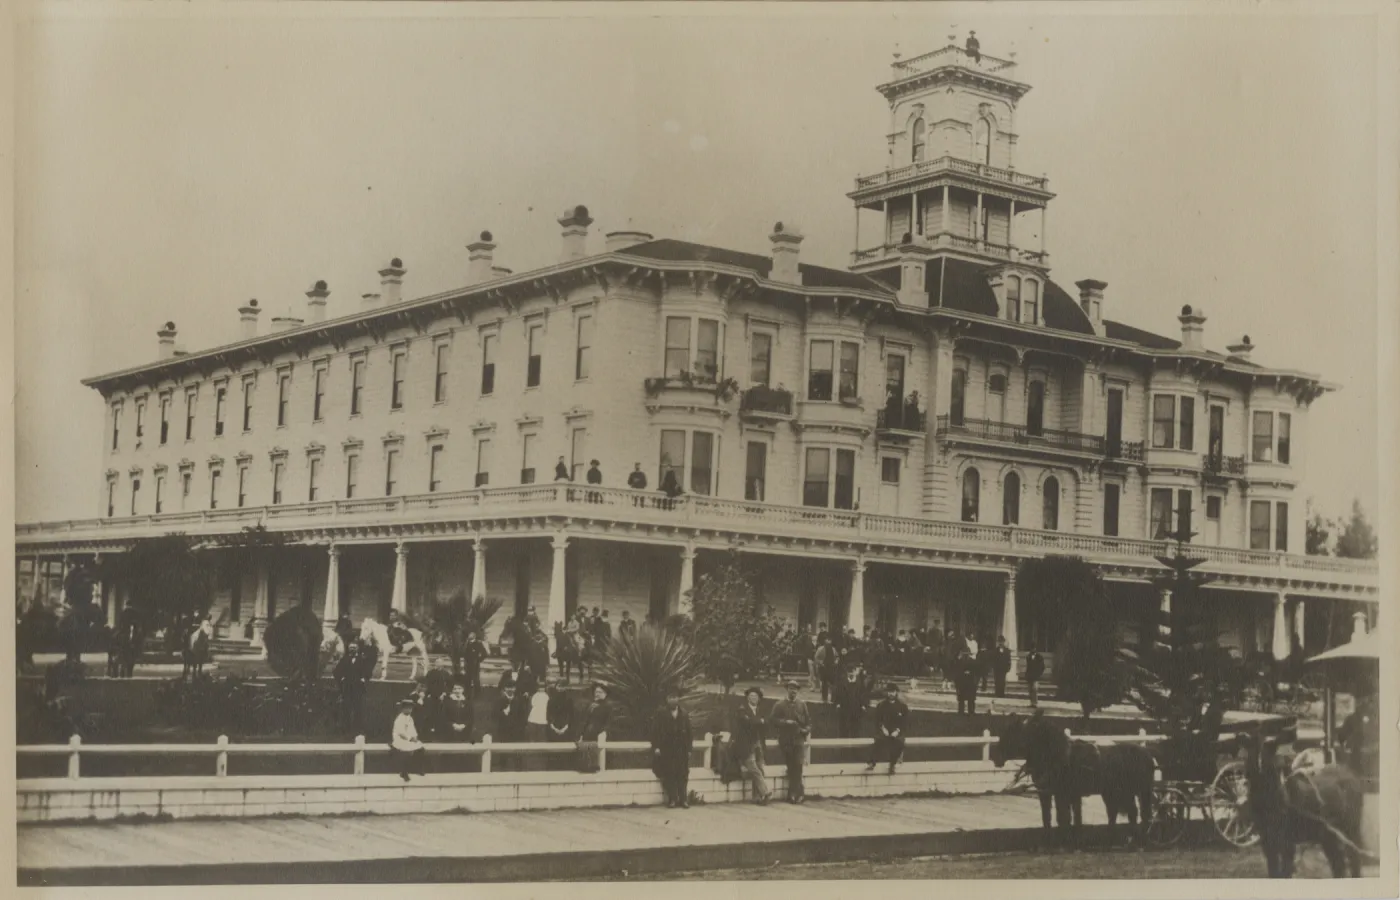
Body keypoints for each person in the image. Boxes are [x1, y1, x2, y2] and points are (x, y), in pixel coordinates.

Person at [769, 679, 812, 803]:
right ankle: (797, 793)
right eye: (790, 688)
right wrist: (785, 722)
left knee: (798, 765)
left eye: (795, 689)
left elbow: (808, 721)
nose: (793, 691)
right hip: (786, 740)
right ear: (787, 690)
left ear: (798, 691)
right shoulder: (779, 705)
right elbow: (772, 720)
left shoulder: (802, 704)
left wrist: (806, 730)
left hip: (798, 739)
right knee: (791, 766)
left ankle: (794, 794)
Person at [651, 689, 693, 808]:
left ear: (678, 699)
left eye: (675, 697)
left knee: (683, 774)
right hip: (667, 749)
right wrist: (656, 747)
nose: (673, 700)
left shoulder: (684, 713)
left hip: (682, 749)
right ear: (667, 699)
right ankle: (672, 799)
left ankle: (683, 799)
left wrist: (689, 749)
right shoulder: (661, 713)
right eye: (670, 697)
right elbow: (655, 732)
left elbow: (690, 733)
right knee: (670, 773)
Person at [732, 686, 772, 804]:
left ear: (759, 698)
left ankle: (757, 797)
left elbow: (767, 722)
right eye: (751, 696)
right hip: (745, 744)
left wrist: (757, 721)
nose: (753, 698)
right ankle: (765, 791)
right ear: (747, 698)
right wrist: (759, 721)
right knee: (753, 768)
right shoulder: (742, 709)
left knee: (760, 767)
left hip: (758, 742)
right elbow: (747, 722)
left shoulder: (760, 710)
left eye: (756, 696)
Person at [866, 682, 909, 774]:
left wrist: (897, 731)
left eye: (893, 692)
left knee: (898, 741)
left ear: (896, 692)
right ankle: (872, 762)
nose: (891, 694)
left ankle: (892, 764)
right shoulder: (881, 705)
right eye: (889, 692)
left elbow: (904, 722)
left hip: (896, 730)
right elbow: (878, 720)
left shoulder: (902, 706)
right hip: (884, 729)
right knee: (878, 740)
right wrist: (883, 728)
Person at [390, 698, 427, 782]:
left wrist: (415, 737)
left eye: (410, 708)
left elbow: (412, 729)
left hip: (410, 739)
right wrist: (410, 738)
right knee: (405, 751)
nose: (409, 710)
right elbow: (401, 732)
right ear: (402, 709)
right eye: (407, 708)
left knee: (421, 749)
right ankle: (404, 772)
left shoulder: (410, 718)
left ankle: (419, 768)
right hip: (400, 739)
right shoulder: (399, 718)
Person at [578, 682, 611, 773]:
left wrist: (603, 732)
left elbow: (608, 722)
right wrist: (581, 734)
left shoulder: (607, 706)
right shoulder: (590, 706)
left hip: (599, 733)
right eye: (596, 692)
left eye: (600, 692)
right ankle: (585, 766)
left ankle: (594, 767)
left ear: (605, 694)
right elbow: (585, 720)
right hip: (587, 732)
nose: (597, 694)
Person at [834, 664, 869, 738]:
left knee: (856, 730)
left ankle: (855, 747)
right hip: (844, 709)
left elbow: (864, 695)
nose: (851, 674)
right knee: (843, 730)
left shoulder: (860, 683)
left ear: (855, 672)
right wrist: (837, 703)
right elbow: (837, 694)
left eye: (852, 672)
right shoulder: (841, 682)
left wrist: (863, 705)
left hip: (856, 709)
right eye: (849, 672)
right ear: (847, 673)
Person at [463, 629, 490, 698]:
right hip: (467, 664)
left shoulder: (478, 643)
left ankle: (477, 695)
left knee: (476, 680)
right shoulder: (467, 643)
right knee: (467, 680)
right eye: (469, 635)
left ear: (474, 636)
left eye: (471, 635)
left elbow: (485, 653)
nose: (469, 636)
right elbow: (464, 653)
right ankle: (467, 694)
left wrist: (479, 660)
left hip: (475, 664)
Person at [955, 648, 979, 716]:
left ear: (969, 654)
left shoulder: (973, 662)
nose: (965, 655)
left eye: (967, 654)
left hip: (971, 684)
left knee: (971, 700)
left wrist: (971, 674)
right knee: (961, 700)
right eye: (964, 653)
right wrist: (957, 685)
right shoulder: (959, 662)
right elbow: (956, 673)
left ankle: (971, 713)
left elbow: (976, 672)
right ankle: (961, 713)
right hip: (961, 684)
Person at [814, 636, 838, 703]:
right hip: (824, 668)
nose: (828, 641)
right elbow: (816, 658)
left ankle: (833, 699)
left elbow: (837, 657)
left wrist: (836, 661)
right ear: (825, 640)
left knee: (833, 684)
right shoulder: (820, 649)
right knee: (824, 684)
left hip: (831, 668)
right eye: (827, 640)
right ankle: (824, 699)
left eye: (830, 640)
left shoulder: (833, 649)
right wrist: (820, 662)